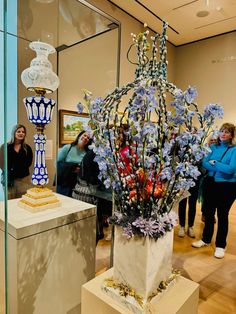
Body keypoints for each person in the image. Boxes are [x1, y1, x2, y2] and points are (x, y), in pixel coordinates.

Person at [192, 123, 236, 258]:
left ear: (232, 135)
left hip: (228, 186)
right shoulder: (212, 147)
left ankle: (221, 245)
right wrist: (218, 166)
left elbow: (231, 169)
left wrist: (215, 164)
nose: (223, 134)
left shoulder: (234, 150)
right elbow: (204, 163)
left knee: (222, 215)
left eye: (227, 132)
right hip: (210, 183)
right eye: (222, 131)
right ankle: (206, 239)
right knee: (209, 213)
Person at [0, 124, 33, 199]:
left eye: (23, 132)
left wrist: (13, 167)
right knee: (10, 203)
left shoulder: (27, 148)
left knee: (23, 201)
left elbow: (28, 163)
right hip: (9, 179)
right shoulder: (4, 147)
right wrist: (13, 168)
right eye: (18, 131)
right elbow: (2, 164)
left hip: (23, 180)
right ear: (14, 133)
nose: (21, 133)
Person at [56, 131, 90, 197]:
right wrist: (70, 169)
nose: (86, 138)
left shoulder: (87, 153)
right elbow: (57, 163)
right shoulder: (68, 148)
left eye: (88, 138)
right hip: (65, 183)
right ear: (79, 136)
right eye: (84, 135)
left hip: (78, 185)